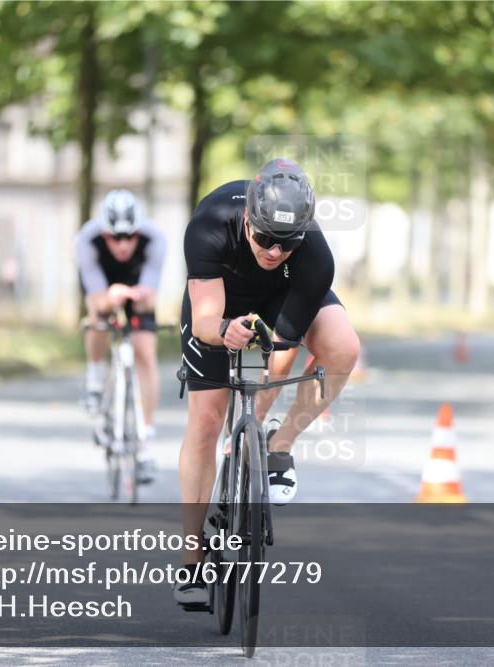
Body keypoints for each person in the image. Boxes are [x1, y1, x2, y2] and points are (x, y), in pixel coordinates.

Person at [172, 159, 361, 607]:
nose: (274, 251)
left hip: (284, 297)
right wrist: (225, 332)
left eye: (286, 243)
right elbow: (203, 320)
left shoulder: (314, 257)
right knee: (205, 423)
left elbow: (282, 346)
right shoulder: (211, 222)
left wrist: (255, 424)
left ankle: (279, 445)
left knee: (344, 346)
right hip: (222, 302)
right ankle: (193, 554)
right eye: (264, 239)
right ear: (248, 220)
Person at [75, 189, 166, 482]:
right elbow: (95, 300)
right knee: (98, 319)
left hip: (138, 287)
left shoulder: (155, 239)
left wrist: (139, 295)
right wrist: (110, 297)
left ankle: (144, 441)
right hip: (103, 287)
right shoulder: (87, 241)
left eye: (131, 237)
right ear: (104, 234)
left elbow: (150, 299)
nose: (124, 244)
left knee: (145, 352)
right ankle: (95, 378)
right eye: (116, 238)